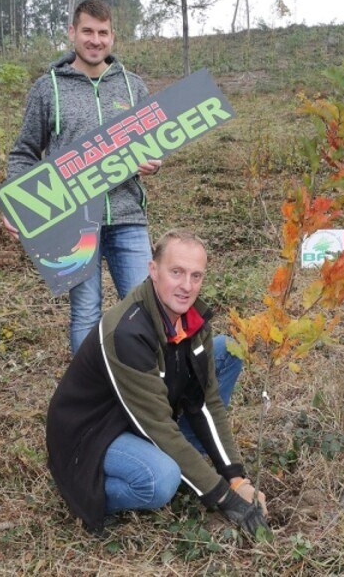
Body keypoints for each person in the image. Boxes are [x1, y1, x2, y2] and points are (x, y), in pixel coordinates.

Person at [45, 230, 268, 537]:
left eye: (196, 276)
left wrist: (236, 479)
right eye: (176, 272)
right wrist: (224, 499)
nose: (186, 286)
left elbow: (206, 402)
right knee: (161, 478)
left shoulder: (193, 318)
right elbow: (158, 428)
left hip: (145, 414)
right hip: (93, 431)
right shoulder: (127, 333)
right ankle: (85, 487)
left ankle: (185, 463)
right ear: (153, 270)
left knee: (226, 351)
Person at [5, 0, 161, 353]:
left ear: (113, 36)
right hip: (73, 220)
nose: (95, 40)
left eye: (103, 33)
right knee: (86, 313)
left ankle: (143, 381)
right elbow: (24, 151)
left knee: (145, 310)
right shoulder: (48, 88)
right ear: (72, 32)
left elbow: (154, 145)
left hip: (127, 217)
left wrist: (154, 161)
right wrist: (15, 203)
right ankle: (87, 387)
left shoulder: (132, 86)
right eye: (87, 31)